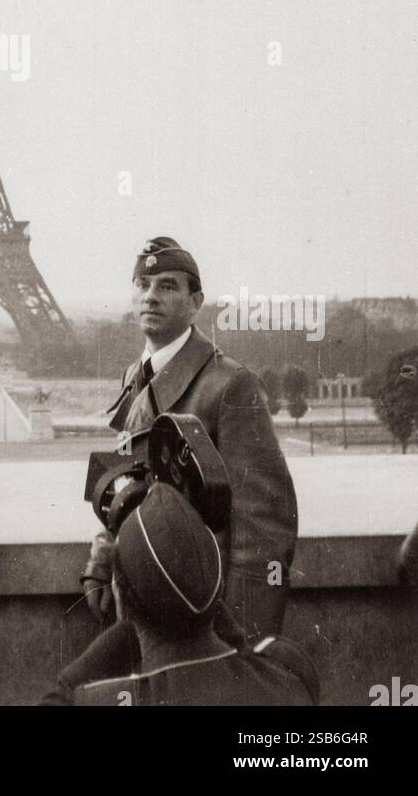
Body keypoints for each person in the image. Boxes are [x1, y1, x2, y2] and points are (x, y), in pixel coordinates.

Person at [82, 237, 297, 646]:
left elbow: (263, 527)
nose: (151, 296)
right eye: (142, 285)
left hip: (199, 623)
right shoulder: (135, 375)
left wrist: (242, 642)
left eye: (167, 286)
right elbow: (126, 485)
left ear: (195, 301)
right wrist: (102, 559)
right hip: (141, 607)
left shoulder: (230, 384)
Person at [45, 482, 318, 705]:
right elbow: (242, 654)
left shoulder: (92, 701)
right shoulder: (291, 674)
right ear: (217, 585)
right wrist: (196, 587)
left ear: (122, 599)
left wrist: (131, 605)